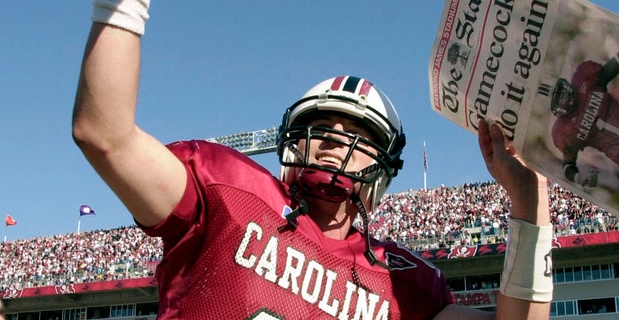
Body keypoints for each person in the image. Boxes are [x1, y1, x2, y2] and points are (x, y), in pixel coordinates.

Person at [73, 1, 553, 319]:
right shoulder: (227, 192)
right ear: (291, 141)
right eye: (322, 126)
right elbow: (105, 135)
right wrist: (125, 7)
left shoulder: (406, 282)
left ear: (382, 168)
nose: (335, 139)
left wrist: (530, 198)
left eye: (359, 134)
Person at [549, 52, 619, 188]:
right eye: (561, 99)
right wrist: (578, 177)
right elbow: (568, 165)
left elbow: (612, 67)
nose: (566, 97)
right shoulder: (565, 131)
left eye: (564, 93)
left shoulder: (586, 83)